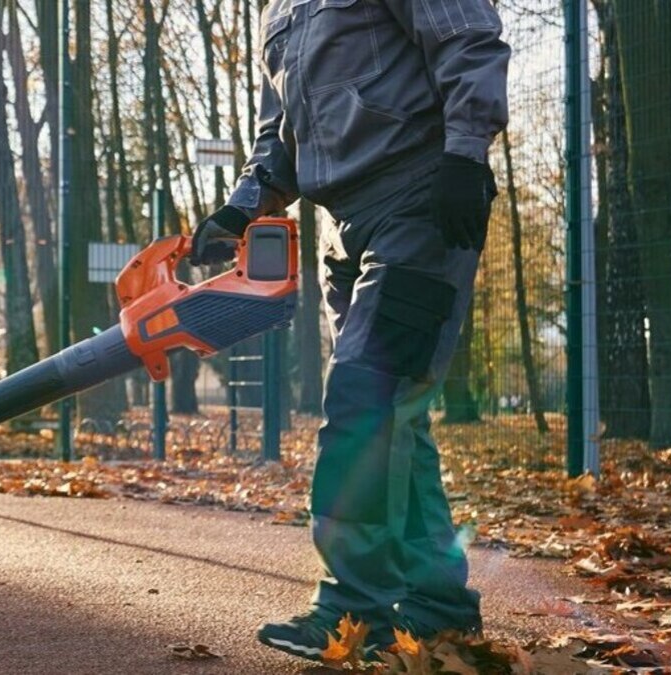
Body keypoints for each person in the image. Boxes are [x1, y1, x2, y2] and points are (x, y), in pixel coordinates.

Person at [188, 0, 510, 663]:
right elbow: (279, 134)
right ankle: (437, 602)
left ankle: (355, 609)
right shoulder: (278, 12)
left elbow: (468, 39)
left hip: (422, 202)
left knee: (367, 398)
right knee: (397, 417)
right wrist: (239, 211)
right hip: (343, 228)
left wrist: (466, 154)